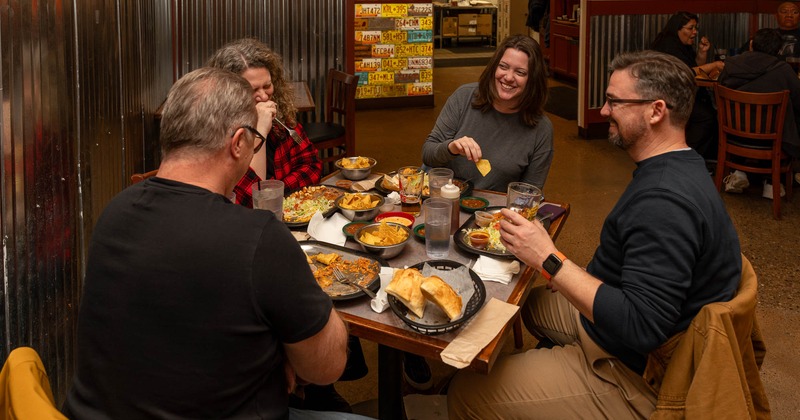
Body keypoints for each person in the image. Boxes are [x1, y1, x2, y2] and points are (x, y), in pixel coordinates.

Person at [447, 50, 742, 418]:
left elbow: (643, 326)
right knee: (528, 305)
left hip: (639, 369)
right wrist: (575, 273)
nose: (603, 111)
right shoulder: (680, 163)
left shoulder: (665, 201)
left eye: (614, 101)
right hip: (627, 321)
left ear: (656, 110)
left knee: (466, 391)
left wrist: (551, 261)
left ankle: (579, 385)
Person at [62, 67, 363, 419]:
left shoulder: (115, 212)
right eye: (254, 138)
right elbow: (326, 368)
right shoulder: (259, 238)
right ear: (238, 143)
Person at [421, 35, 553, 192]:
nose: (509, 77)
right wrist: (451, 148)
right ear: (494, 68)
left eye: (520, 72)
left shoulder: (541, 129)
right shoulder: (464, 97)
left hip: (493, 213)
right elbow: (428, 154)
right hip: (442, 201)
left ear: (533, 79)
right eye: (503, 67)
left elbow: (529, 193)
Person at [207, 38, 322, 207]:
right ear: (227, 93)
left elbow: (312, 165)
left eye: (267, 85)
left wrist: (276, 192)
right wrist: (259, 131)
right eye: (253, 90)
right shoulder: (216, 137)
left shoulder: (280, 119)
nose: (264, 96)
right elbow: (249, 200)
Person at [718, 27, 800, 197]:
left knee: (746, 119)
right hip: (773, 139)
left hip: (734, 134)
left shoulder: (731, 64)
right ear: (779, 50)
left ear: (751, 45)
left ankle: (738, 172)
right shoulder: (783, 69)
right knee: (789, 119)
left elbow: (718, 93)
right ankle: (772, 182)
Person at [651, 11, 724, 160]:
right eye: (690, 28)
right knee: (706, 117)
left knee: (710, 110)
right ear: (677, 28)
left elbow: (694, 69)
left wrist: (702, 53)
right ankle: (684, 158)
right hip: (668, 97)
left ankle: (702, 159)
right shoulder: (668, 44)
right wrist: (714, 65)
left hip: (682, 94)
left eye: (695, 28)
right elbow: (687, 73)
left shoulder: (681, 44)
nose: (695, 32)